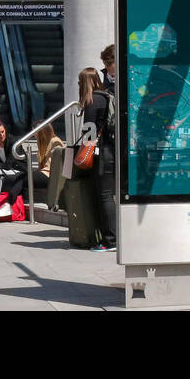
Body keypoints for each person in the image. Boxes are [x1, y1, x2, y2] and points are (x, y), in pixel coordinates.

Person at [78, 67, 117, 252]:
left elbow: (89, 131)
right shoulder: (106, 95)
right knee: (108, 195)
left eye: (80, 82)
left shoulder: (92, 100)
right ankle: (112, 238)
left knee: (104, 196)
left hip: (101, 153)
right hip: (111, 150)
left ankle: (110, 240)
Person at [33, 122, 65, 192]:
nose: (33, 135)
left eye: (34, 132)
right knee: (20, 178)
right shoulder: (42, 142)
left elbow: (55, 166)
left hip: (51, 177)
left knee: (23, 178)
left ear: (41, 131)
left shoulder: (55, 142)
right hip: (45, 173)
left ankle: (10, 200)